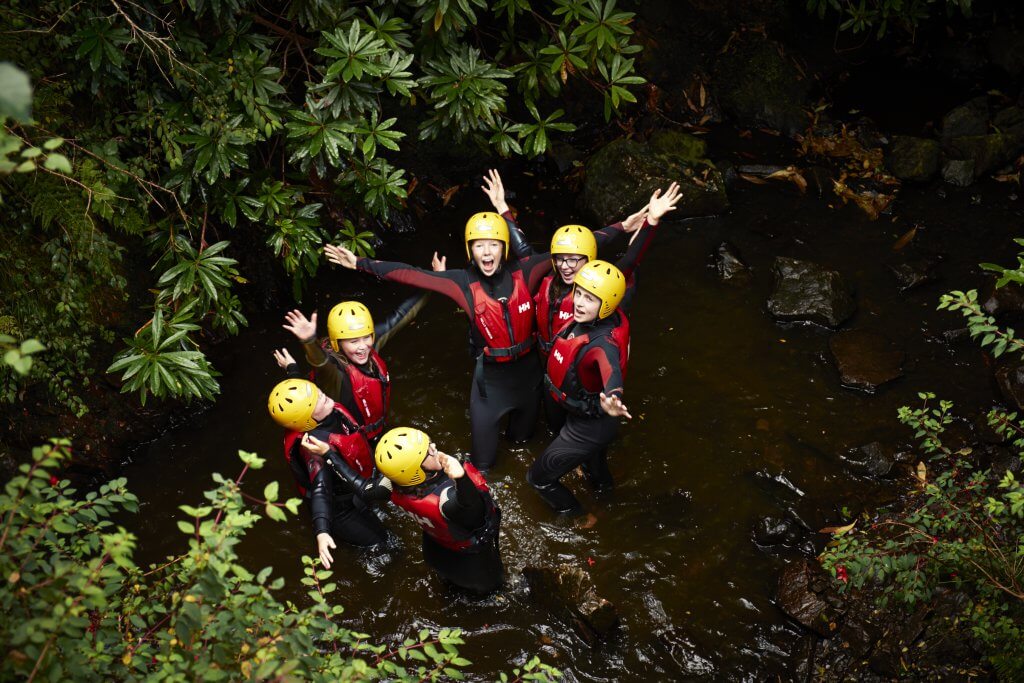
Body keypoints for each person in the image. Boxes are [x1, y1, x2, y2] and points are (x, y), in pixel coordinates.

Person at [488, 174, 681, 430]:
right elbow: (522, 247)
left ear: (587, 259)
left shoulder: (602, 287)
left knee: (574, 411)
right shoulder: (546, 277)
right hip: (547, 357)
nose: (565, 267)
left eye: (574, 260)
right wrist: (502, 207)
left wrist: (652, 220)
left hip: (578, 366)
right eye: (560, 259)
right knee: (551, 415)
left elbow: (630, 260)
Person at [527, 260, 633, 517]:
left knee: (538, 478)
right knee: (594, 468)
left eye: (590, 299)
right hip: (584, 414)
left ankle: (578, 515)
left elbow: (611, 372)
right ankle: (608, 504)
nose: (579, 303)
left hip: (590, 424)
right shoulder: (593, 319)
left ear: (607, 305)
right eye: (579, 293)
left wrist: (614, 396)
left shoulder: (603, 343)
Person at [267, 378, 391, 567]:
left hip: (355, 487)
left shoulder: (325, 413)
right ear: (306, 419)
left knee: (381, 519)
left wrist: (292, 369)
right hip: (340, 510)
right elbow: (321, 488)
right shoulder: (312, 448)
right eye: (315, 400)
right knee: (384, 544)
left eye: (316, 391)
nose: (321, 395)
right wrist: (322, 531)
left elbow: (302, 396)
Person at [274, 293, 427, 442]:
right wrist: (308, 340)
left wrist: (437, 282)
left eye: (366, 337)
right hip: (354, 440)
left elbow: (400, 316)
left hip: (378, 429)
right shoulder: (334, 373)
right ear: (337, 343)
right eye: (353, 342)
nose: (363, 347)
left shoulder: (369, 344)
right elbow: (320, 363)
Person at [374, 426, 503, 595]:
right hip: (474, 567)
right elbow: (476, 515)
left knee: (448, 589)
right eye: (428, 452)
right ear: (415, 469)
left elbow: (362, 488)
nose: (434, 448)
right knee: (493, 593)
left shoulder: (392, 484)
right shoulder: (445, 500)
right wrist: (461, 478)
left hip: (435, 551)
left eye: (429, 443)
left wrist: (330, 455)